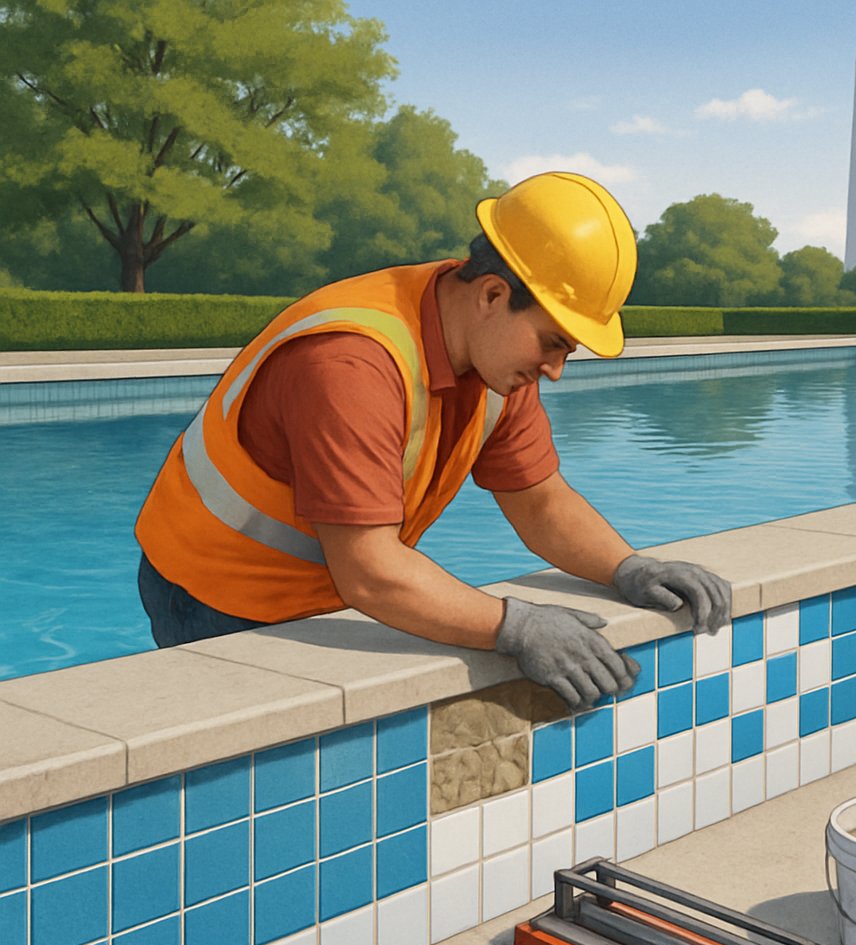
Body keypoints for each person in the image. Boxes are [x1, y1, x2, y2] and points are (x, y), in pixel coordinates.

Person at [135, 171, 731, 710]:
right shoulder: (350, 364)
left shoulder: (494, 356)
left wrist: (628, 567)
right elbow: (369, 572)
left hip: (331, 592)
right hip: (215, 597)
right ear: (494, 294)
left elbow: (540, 501)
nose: (555, 369)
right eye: (553, 342)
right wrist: (518, 626)